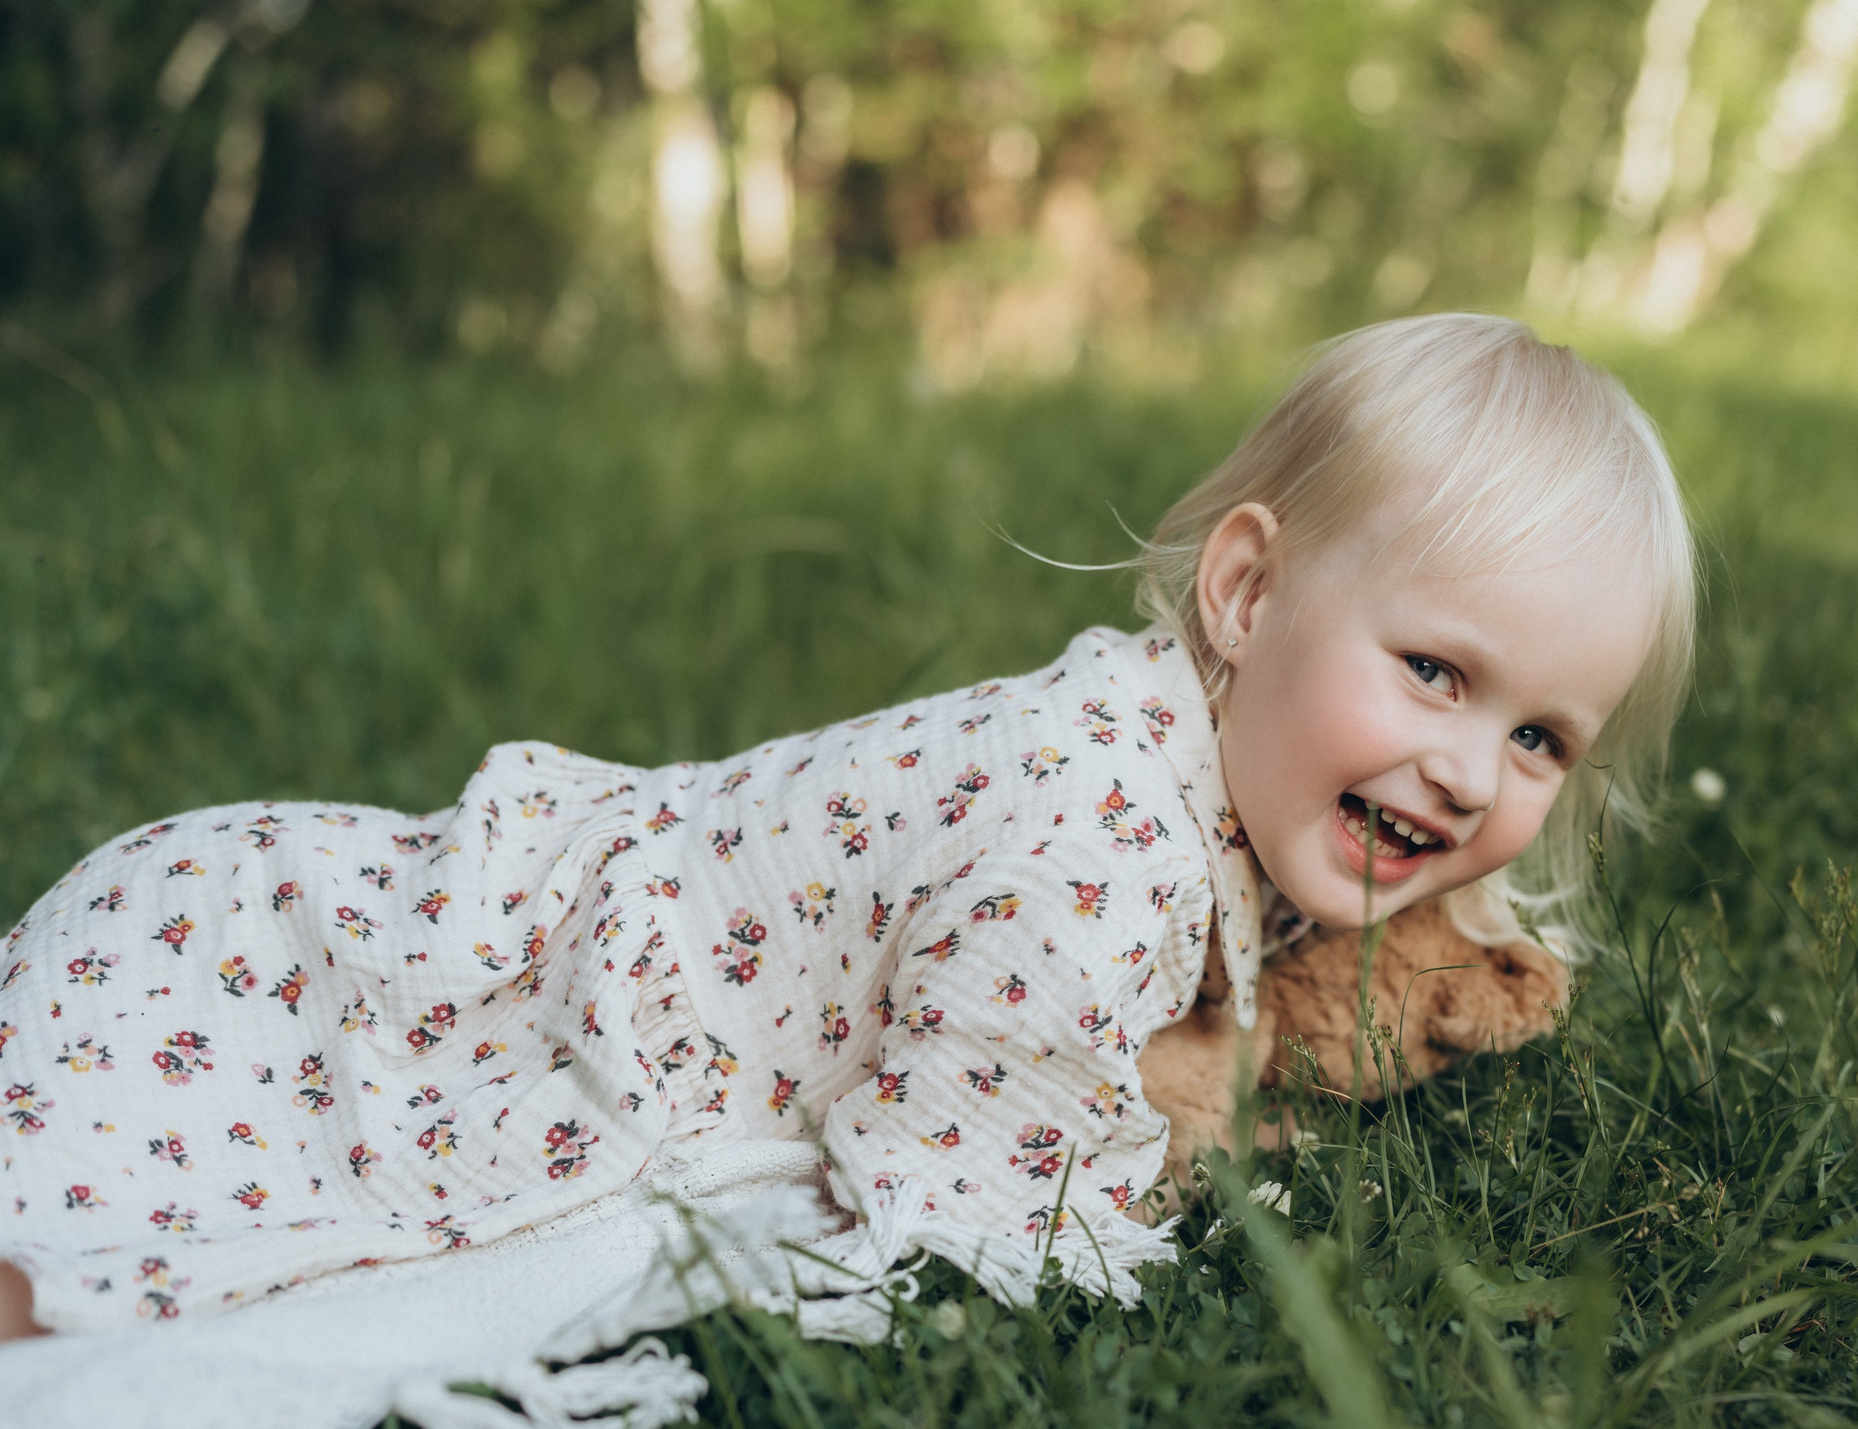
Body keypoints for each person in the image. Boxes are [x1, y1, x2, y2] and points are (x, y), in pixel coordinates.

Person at [0, 313, 1695, 1344]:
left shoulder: (1201, 768)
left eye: (1540, 735)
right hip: (376, 950)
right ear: (1246, 594)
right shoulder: (1087, 839)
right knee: (204, 1212)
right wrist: (1191, 1154)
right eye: (1433, 671)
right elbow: (963, 1204)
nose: (1474, 776)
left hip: (434, 900)